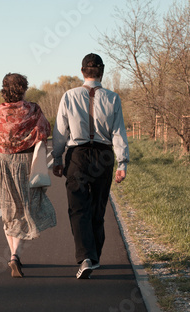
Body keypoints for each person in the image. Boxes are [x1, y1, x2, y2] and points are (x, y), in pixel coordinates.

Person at [52, 53, 129, 279]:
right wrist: (122, 162)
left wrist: (57, 159)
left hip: (78, 155)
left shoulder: (69, 96)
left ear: (82, 71)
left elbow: (59, 132)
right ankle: (94, 257)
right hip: (104, 155)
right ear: (101, 71)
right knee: (98, 208)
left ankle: (86, 257)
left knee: (78, 208)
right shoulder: (113, 98)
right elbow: (118, 133)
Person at [0, 73, 57, 278]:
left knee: (8, 206)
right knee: (25, 205)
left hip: (1, 161)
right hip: (24, 162)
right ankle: (15, 255)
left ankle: (13, 254)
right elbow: (45, 131)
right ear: (23, 89)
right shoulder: (33, 110)